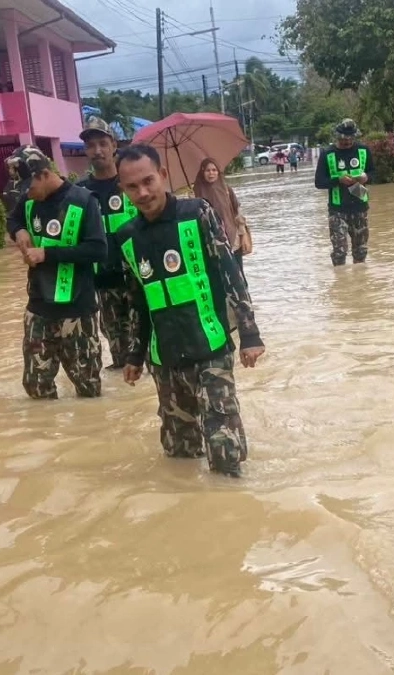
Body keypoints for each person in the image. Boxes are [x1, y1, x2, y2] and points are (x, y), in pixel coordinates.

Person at [114, 144, 266, 478]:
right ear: (122, 190)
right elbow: (137, 302)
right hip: (164, 358)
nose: (142, 192)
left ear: (163, 176)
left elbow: (230, 272)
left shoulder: (197, 213)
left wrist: (250, 333)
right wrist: (134, 355)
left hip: (210, 346)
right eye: (132, 187)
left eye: (148, 181)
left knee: (225, 453)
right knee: (179, 456)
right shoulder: (126, 238)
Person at [5, 145, 107, 400]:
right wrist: (19, 231)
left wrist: (47, 254)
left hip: (77, 309)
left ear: (43, 174)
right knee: (36, 388)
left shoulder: (84, 201)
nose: (27, 194)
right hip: (39, 307)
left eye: (30, 187)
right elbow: (12, 219)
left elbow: (97, 250)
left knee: (89, 390)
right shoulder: (28, 199)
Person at [76, 116, 139, 371]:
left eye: (102, 143)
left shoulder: (133, 184)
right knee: (120, 355)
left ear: (114, 145)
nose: (97, 151)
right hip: (102, 282)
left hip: (139, 279)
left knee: (147, 347)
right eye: (91, 146)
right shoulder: (80, 193)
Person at [314, 118, 374, 266]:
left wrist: (366, 177)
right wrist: (338, 180)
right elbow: (319, 182)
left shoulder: (363, 151)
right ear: (337, 137)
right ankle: (340, 280)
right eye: (343, 139)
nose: (347, 142)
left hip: (360, 207)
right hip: (337, 210)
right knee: (339, 251)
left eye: (350, 139)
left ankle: (359, 282)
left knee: (360, 251)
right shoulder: (327, 154)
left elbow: (374, 173)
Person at [192, 157, 252, 275]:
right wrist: (191, 202)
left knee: (239, 276)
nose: (211, 173)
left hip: (233, 239)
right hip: (211, 244)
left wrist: (243, 235)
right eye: (208, 170)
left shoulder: (226, 189)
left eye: (214, 170)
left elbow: (237, 213)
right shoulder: (196, 193)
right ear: (202, 171)